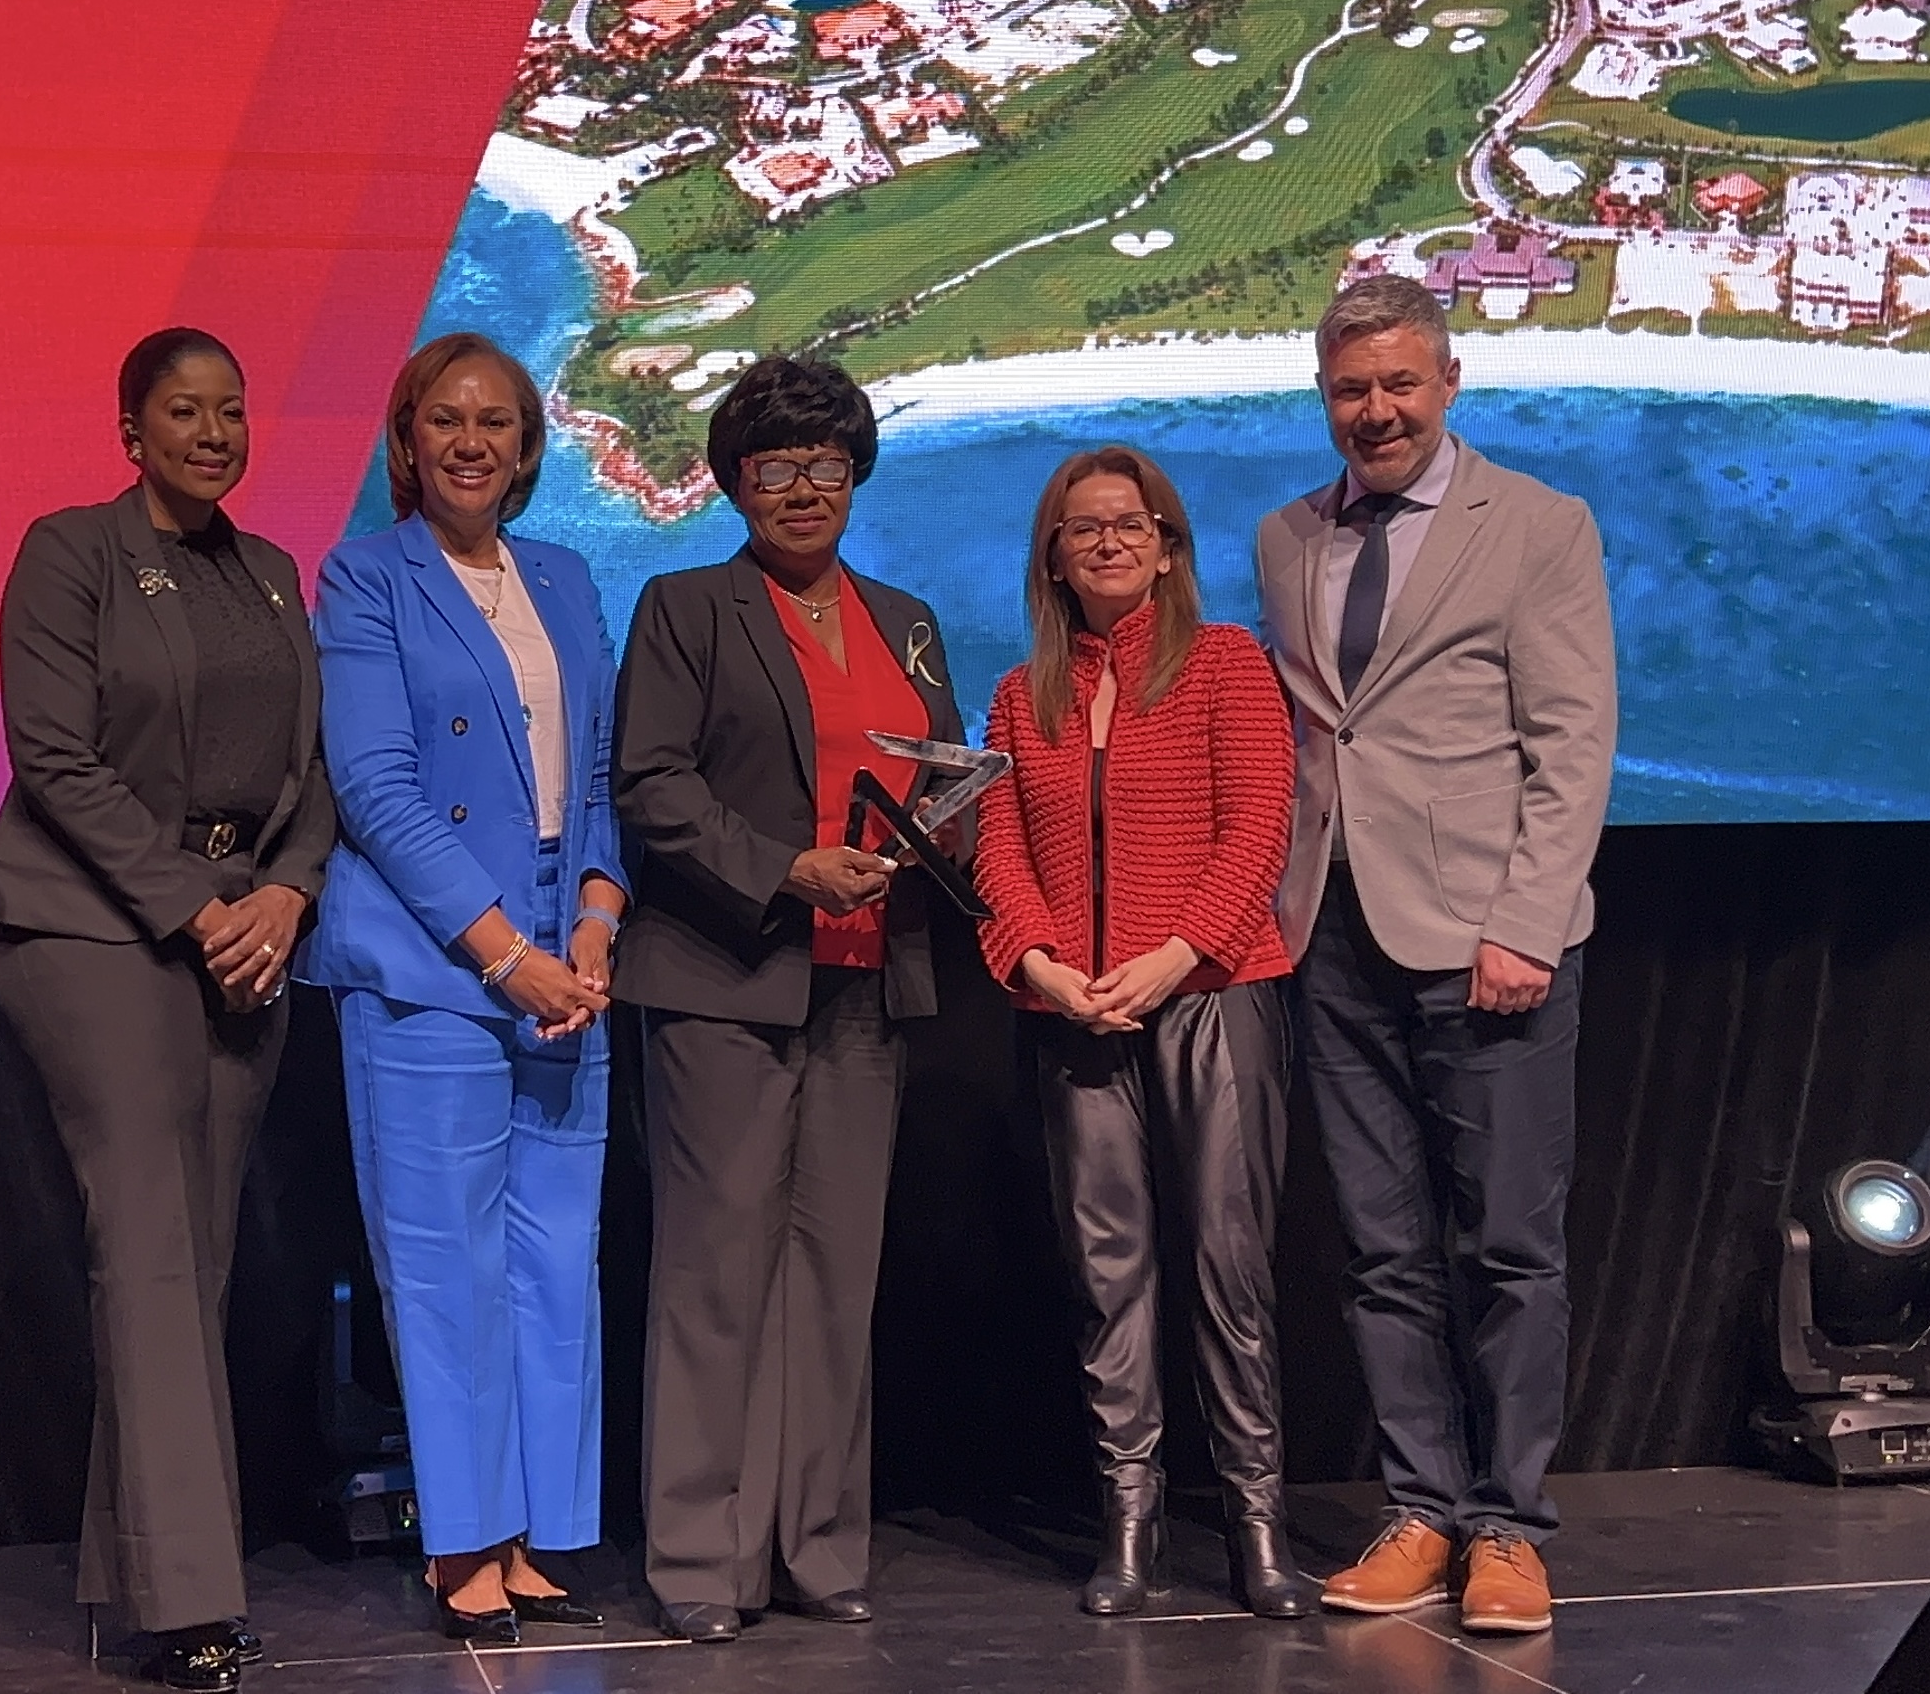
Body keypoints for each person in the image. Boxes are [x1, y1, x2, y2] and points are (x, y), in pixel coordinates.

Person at [0, 327, 335, 1693]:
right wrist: (196, 906)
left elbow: (316, 767)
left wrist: (285, 896)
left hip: (243, 934)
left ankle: (141, 1555)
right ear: (131, 430)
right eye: (184, 410)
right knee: (151, 1247)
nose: (213, 431)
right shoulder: (67, 551)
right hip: (92, 927)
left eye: (231, 410)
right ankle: (188, 1597)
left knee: (196, 1256)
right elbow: (52, 753)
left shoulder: (275, 574)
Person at [1253, 275, 1615, 1638]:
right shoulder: (1288, 535)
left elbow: (1571, 741)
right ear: (1324, 398)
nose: (1376, 410)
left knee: (1508, 1243)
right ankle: (1421, 1509)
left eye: (1399, 384)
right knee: (1380, 1247)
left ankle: (1509, 1527)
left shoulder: (1535, 525)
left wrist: (1524, 920)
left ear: (1447, 383)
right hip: (1331, 935)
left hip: (1486, 936)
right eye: (1350, 389)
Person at [610, 354, 968, 1643]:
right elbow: (649, 782)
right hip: (727, 980)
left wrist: (953, 828)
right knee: (715, 1277)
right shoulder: (686, 605)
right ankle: (701, 1561)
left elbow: (938, 763)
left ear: (856, 474)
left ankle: (817, 1545)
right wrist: (784, 869)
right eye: (776, 465)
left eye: (826, 462)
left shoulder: (908, 617)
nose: (803, 487)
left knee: (832, 1278)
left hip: (871, 983)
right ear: (734, 482)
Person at [293, 333, 629, 1644]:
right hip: (439, 966)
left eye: (496, 421)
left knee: (557, 1259)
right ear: (406, 439)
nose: (471, 441)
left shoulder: (565, 574)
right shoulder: (365, 576)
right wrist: (506, 951)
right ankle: (465, 1537)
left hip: (568, 959)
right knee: (448, 1266)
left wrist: (595, 922)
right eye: (446, 419)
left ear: (530, 446)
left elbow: (595, 780)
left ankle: (538, 1527)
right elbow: (374, 787)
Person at [974, 447, 1313, 1621]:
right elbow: (999, 853)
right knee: (1107, 1274)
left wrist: (1173, 958)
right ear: (1054, 559)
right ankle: (1132, 1515)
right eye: (1083, 528)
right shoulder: (1025, 696)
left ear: (1168, 544)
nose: (1109, 540)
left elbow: (1259, 824)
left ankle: (1255, 1521)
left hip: (1213, 994)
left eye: (1131, 522)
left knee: (1230, 1267)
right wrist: (1042, 966)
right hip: (1077, 1008)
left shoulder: (1228, 664)